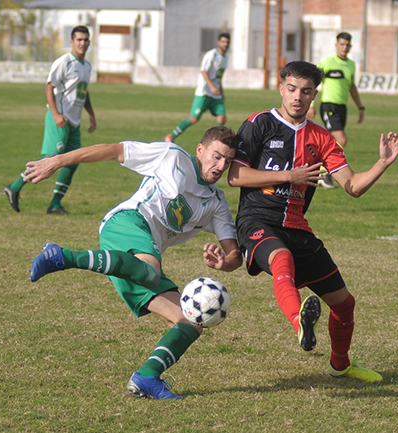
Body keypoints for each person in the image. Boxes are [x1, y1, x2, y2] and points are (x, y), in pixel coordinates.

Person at [23, 126, 242, 400]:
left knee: (190, 322)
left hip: (137, 261)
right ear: (200, 150)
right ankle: (62, 256)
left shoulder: (216, 203)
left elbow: (235, 255)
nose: (221, 165)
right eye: (216, 156)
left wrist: (224, 263)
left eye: (228, 160)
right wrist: (56, 161)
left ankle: (147, 377)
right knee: (151, 271)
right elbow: (114, 150)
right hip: (127, 221)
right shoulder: (171, 156)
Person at [228, 61, 398, 383]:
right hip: (258, 219)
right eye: (292, 89)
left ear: (314, 95)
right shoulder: (258, 124)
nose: (298, 97)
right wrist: (289, 175)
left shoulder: (321, 138)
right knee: (282, 259)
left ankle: (341, 365)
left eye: (306, 91)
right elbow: (236, 176)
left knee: (344, 303)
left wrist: (382, 163)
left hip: (297, 225)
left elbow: (352, 187)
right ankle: (299, 323)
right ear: (281, 88)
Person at [4, 25, 97, 214]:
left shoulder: (87, 66)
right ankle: (13, 187)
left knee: (73, 161)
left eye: (85, 40)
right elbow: (49, 87)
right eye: (79, 39)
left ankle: (55, 204)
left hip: (74, 122)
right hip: (60, 117)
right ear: (71, 42)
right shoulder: (64, 62)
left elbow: (83, 93)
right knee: (52, 157)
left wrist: (91, 115)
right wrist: (55, 114)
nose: (82, 43)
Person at [307, 32, 365, 188]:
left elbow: (352, 87)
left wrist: (360, 107)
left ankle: (315, 172)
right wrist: (311, 105)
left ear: (350, 46)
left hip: (342, 107)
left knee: (330, 142)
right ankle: (323, 172)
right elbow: (313, 82)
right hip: (328, 105)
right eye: (342, 44)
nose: (344, 48)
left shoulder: (351, 65)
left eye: (347, 45)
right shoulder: (327, 62)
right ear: (336, 45)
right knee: (341, 139)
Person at [165, 33, 230, 142]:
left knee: (222, 118)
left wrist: (221, 91)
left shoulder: (226, 58)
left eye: (227, 42)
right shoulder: (212, 55)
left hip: (215, 94)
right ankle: (171, 136)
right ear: (218, 42)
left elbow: (219, 77)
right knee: (193, 119)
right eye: (223, 42)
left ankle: (215, 142)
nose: (225, 44)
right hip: (204, 92)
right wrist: (211, 86)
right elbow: (203, 71)